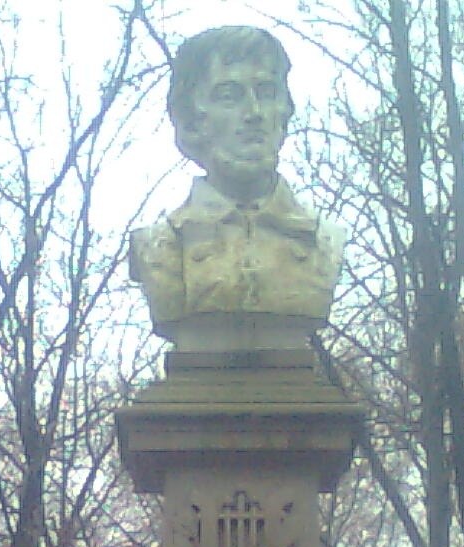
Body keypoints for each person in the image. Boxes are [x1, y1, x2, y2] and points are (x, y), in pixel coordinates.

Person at [129, 26, 343, 335]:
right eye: (229, 96)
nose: (254, 113)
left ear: (285, 112)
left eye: (266, 93)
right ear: (190, 122)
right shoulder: (157, 250)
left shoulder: (324, 242)